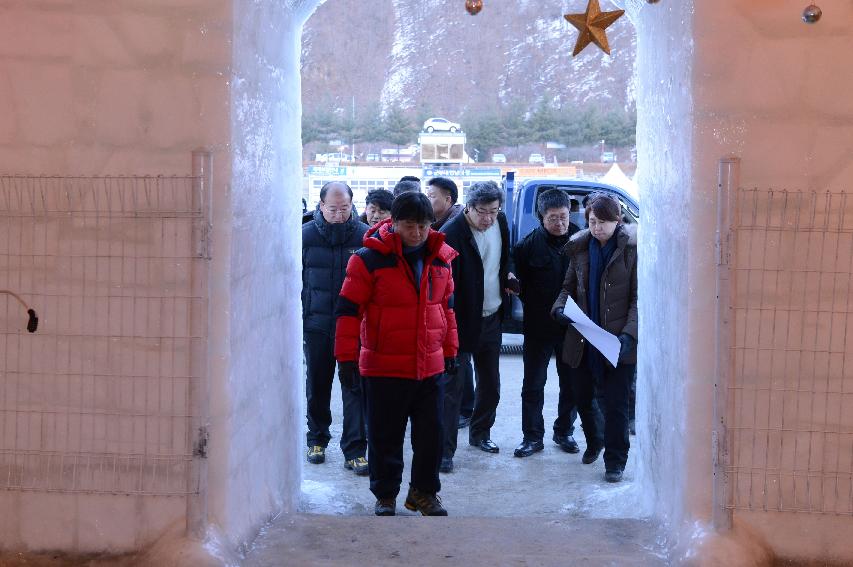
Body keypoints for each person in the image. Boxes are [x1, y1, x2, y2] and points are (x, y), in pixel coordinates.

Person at [335, 191, 458, 517]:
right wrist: (345, 358)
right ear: (394, 223)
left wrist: (449, 350)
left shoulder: (442, 259)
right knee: (385, 437)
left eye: (423, 226)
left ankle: (424, 493)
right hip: (383, 368)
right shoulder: (367, 259)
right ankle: (386, 495)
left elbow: (446, 308)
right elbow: (348, 310)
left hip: (428, 366)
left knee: (432, 436)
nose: (416, 233)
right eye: (408, 226)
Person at [551, 192, 637, 483]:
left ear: (618, 221)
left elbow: (639, 299)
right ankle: (595, 440)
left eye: (603, 222)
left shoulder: (631, 251)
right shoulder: (580, 248)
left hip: (617, 341)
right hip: (584, 338)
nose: (597, 227)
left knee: (616, 405)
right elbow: (568, 287)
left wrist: (629, 333)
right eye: (592, 221)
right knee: (583, 396)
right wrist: (560, 307)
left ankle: (615, 462)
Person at [512, 190, 603, 458]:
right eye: (553, 218)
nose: (560, 223)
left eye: (564, 217)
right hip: (538, 326)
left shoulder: (582, 239)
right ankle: (532, 437)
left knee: (572, 382)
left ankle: (564, 431)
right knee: (533, 384)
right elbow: (520, 286)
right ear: (542, 217)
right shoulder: (526, 246)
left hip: (572, 327)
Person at [440, 180, 518, 471]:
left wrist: (509, 274)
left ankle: (480, 433)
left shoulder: (501, 222)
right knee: (452, 390)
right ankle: (444, 451)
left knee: (491, 384)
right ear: (468, 208)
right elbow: (443, 287)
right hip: (460, 322)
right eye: (482, 212)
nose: (488, 218)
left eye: (493, 211)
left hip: (492, 316)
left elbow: (506, 257)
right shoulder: (451, 234)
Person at [301, 181, 369, 474]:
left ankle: (355, 450)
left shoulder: (366, 237)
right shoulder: (304, 236)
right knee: (317, 385)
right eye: (333, 209)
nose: (339, 214)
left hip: (353, 328)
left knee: (355, 388)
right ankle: (317, 439)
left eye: (345, 208)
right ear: (320, 206)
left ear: (353, 205)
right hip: (317, 325)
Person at [426, 177, 472, 428]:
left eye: (432, 195)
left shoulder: (453, 229)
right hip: (446, 305)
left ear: (449, 199)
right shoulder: (435, 225)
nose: (428, 199)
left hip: (458, 303)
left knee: (460, 361)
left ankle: (465, 408)